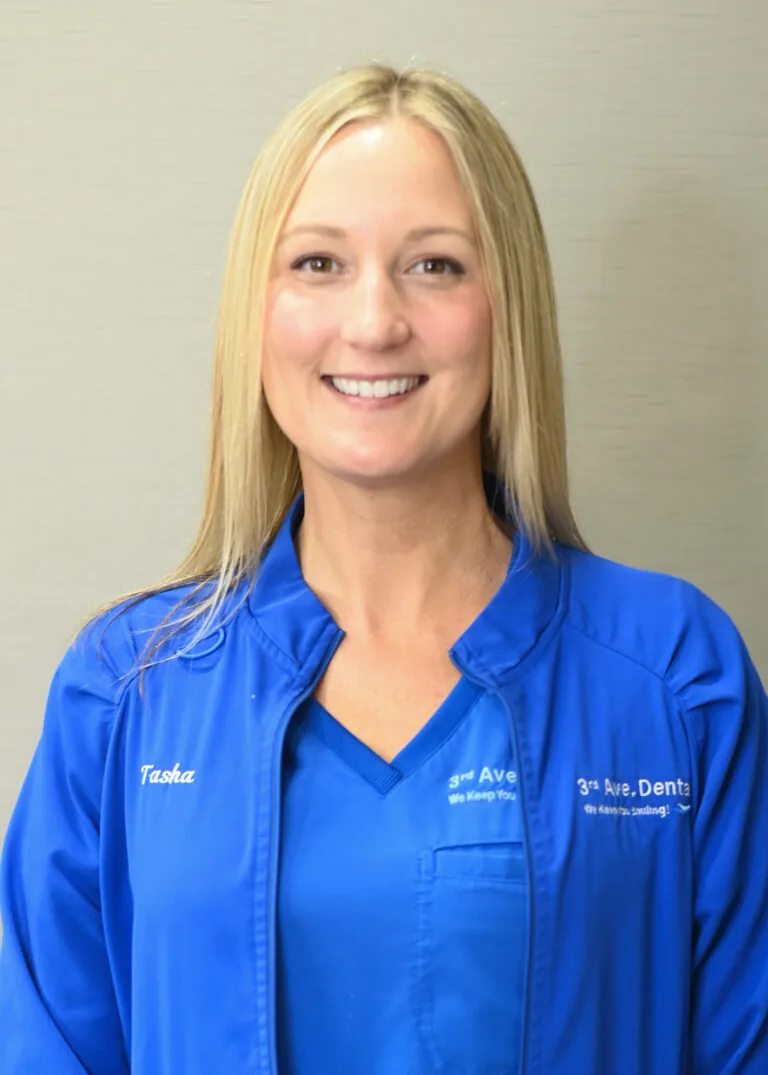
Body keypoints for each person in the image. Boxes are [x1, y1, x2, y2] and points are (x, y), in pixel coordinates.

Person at [0, 61, 766, 1075]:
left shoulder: (676, 679)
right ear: (255, 311)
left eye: (436, 265)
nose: (373, 323)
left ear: (511, 308)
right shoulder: (127, 692)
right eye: (318, 263)